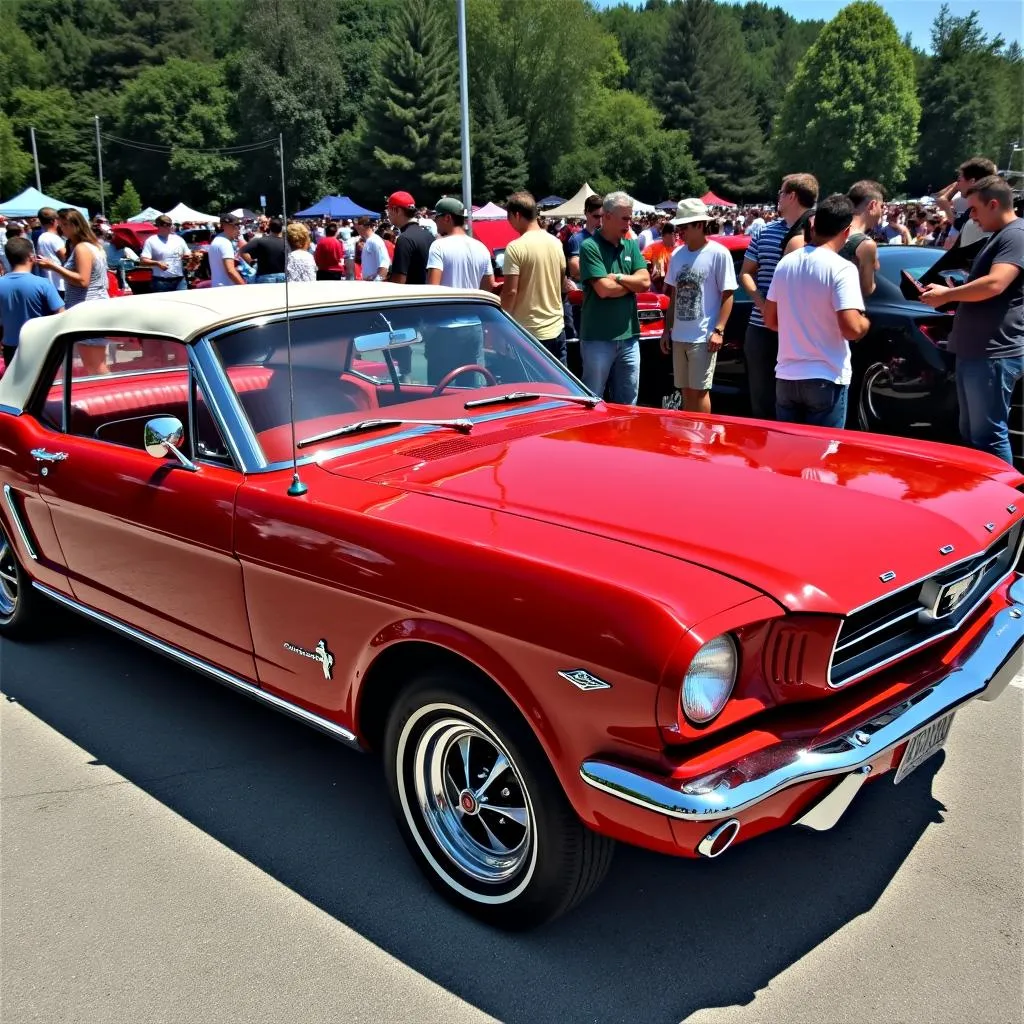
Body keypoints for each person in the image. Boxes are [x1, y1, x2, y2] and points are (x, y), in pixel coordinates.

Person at [920, 175, 1023, 464]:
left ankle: (1008, 503)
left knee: (988, 436)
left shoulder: (1016, 235)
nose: (971, 217)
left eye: (974, 209)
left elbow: (995, 284)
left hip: (993, 351)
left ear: (993, 204)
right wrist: (954, 292)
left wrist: (949, 296)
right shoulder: (1003, 236)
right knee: (973, 435)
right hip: (979, 350)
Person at [763, 194, 870, 428]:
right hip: (825, 376)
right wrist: (865, 323)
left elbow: (770, 320)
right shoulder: (842, 268)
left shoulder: (785, 264)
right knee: (822, 459)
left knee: (787, 459)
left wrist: (799, 326)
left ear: (813, 225)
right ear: (847, 231)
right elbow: (852, 328)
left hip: (787, 376)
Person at [739, 172, 819, 419]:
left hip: (798, 330)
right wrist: (763, 305)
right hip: (761, 327)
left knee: (797, 403)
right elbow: (745, 274)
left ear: (792, 196)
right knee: (762, 399)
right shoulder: (765, 232)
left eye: (781, 193)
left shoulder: (818, 234)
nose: (778, 198)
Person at [660, 199, 736, 414]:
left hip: (703, 336)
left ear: (700, 225)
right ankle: (689, 437)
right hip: (679, 336)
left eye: (685, 226)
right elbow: (674, 296)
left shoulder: (719, 253)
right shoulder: (677, 254)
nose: (680, 231)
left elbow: (728, 294)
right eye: (679, 227)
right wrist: (667, 330)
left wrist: (719, 330)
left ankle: (701, 438)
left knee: (700, 390)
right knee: (685, 390)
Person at [577, 192, 651, 404]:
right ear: (607, 216)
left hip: (629, 338)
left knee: (628, 402)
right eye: (625, 218)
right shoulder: (590, 247)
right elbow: (604, 290)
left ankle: (626, 437)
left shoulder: (630, 245)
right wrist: (631, 285)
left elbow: (645, 282)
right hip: (598, 339)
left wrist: (618, 277)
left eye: (630, 218)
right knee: (594, 400)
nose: (629, 224)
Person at [35, 209, 110, 374]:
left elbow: (83, 280)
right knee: (95, 363)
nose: (62, 229)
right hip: (92, 306)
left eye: (65, 225)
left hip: (87, 309)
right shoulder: (91, 246)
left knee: (95, 366)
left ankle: (113, 395)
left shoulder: (82, 248)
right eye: (61, 225)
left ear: (77, 225)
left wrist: (53, 267)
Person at [501, 191, 568, 363]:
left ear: (517, 215)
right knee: (559, 388)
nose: (508, 223)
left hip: (528, 334)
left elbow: (510, 292)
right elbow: (562, 284)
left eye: (508, 218)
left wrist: (500, 324)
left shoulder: (515, 247)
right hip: (556, 328)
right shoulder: (556, 242)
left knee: (531, 388)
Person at [0, 236, 64, 371]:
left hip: (10, 346)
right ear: (31, 256)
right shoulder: (43, 284)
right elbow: (60, 314)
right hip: (39, 345)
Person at [425, 198, 494, 290]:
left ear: (447, 218)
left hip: (449, 304)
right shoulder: (482, 248)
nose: (435, 221)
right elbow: (488, 286)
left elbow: (433, 289)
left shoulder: (438, 246)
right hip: (475, 304)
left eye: (436, 217)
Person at [936, 156, 998, 250]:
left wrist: (947, 208)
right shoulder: (981, 207)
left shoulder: (982, 211)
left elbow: (960, 226)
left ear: (972, 182)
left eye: (959, 180)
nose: (957, 185)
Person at [842, 181, 883, 297]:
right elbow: (866, 290)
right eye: (882, 206)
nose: (882, 211)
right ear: (872, 205)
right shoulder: (865, 244)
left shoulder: (831, 231)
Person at [387, 191, 433, 286]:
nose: (388, 214)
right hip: (429, 295)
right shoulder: (429, 235)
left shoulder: (404, 239)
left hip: (412, 298)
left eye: (389, 209)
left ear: (398, 211)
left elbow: (398, 281)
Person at [138, 215, 194, 292]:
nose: (169, 227)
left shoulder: (179, 239)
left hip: (179, 280)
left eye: (170, 224)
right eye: (165, 225)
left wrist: (188, 257)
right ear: (158, 226)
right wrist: (157, 263)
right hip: (161, 281)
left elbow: (188, 254)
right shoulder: (151, 241)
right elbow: (143, 261)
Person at [239, 218, 286, 283]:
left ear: (269, 227)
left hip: (264, 277)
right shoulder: (286, 243)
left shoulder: (259, 240)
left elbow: (242, 251)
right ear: (281, 228)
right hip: (283, 277)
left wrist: (252, 263)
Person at [34, 207, 66, 295]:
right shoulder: (54, 238)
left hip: (49, 282)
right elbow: (66, 259)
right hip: (60, 283)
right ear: (53, 221)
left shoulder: (42, 237)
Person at [209, 214, 246, 287]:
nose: (238, 229)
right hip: (227, 288)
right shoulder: (225, 243)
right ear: (225, 226)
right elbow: (230, 271)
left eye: (239, 226)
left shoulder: (217, 240)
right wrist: (244, 287)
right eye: (236, 225)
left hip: (218, 286)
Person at [642, 222, 677, 293]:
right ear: (664, 235)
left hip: (674, 286)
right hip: (657, 286)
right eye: (673, 234)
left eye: (676, 235)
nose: (676, 237)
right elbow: (641, 262)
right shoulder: (653, 247)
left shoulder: (680, 248)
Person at [356, 217, 390, 282]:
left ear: (368, 226)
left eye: (359, 226)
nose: (357, 229)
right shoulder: (369, 241)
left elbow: (384, 264)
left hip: (373, 285)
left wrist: (376, 282)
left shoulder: (375, 241)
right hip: (368, 283)